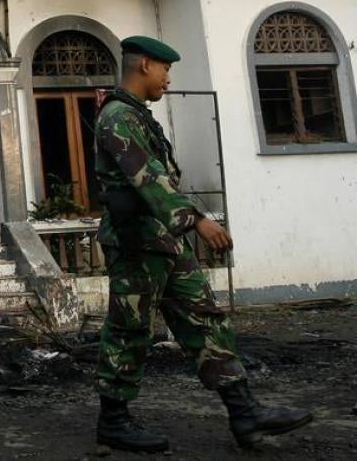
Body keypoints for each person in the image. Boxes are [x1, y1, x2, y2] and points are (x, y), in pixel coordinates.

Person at [93, 36, 312, 451]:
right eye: (164, 69)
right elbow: (147, 179)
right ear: (144, 65)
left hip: (164, 241)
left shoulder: (138, 115)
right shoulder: (117, 116)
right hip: (135, 243)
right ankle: (113, 422)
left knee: (206, 319)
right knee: (129, 330)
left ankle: (245, 414)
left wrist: (186, 223)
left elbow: (161, 176)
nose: (168, 79)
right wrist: (195, 219)